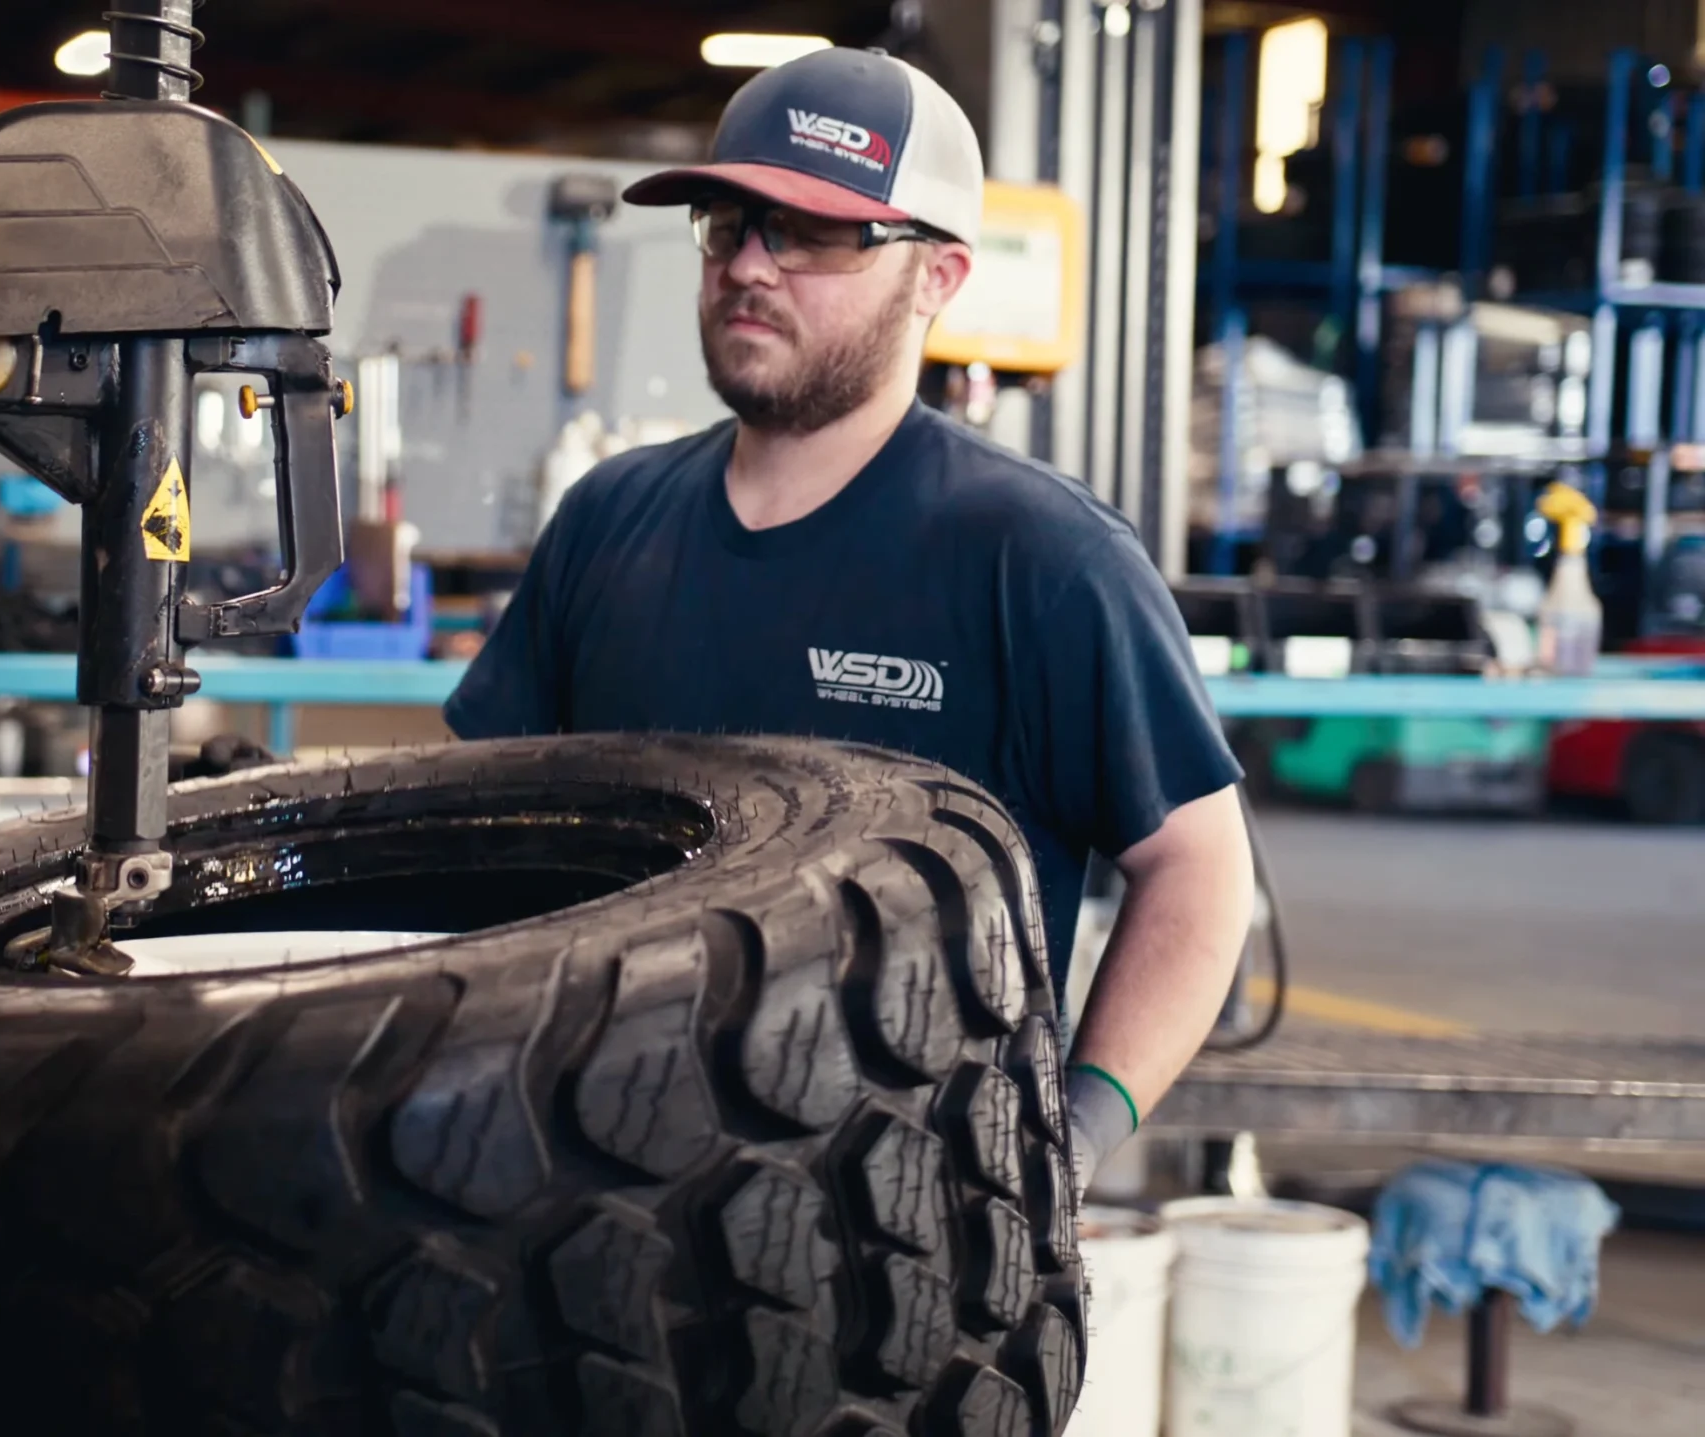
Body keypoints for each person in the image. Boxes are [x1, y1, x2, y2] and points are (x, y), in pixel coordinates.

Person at [443, 47, 1254, 1194]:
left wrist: (1076, 1129)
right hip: (586, 1175)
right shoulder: (607, 518)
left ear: (938, 277)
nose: (749, 266)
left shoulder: (1040, 559)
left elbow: (1196, 867)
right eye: (728, 223)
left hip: (891, 1230)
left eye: (811, 234)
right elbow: (485, 822)